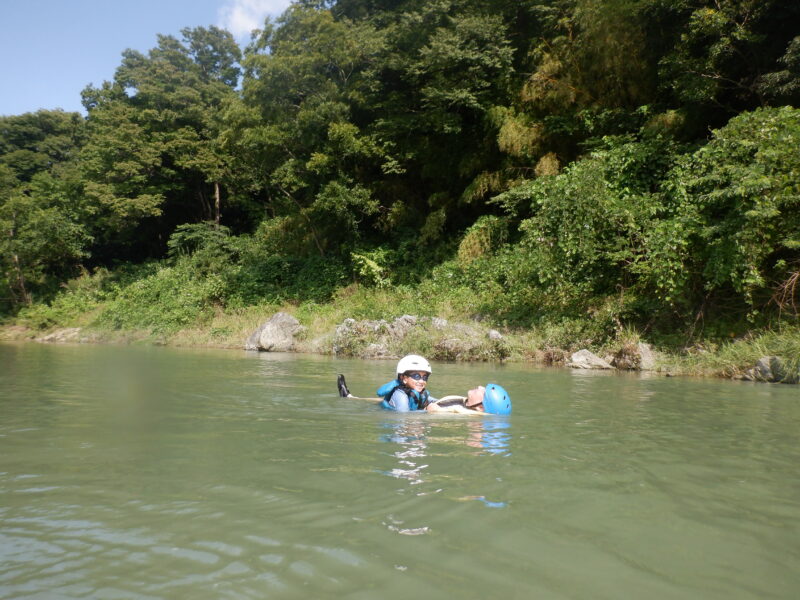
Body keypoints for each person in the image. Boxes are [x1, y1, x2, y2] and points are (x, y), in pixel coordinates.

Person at [427, 384, 512, 415]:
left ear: (481, 407)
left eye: (483, 392)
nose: (480, 387)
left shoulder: (457, 413)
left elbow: (431, 409)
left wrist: (437, 411)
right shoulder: (465, 403)